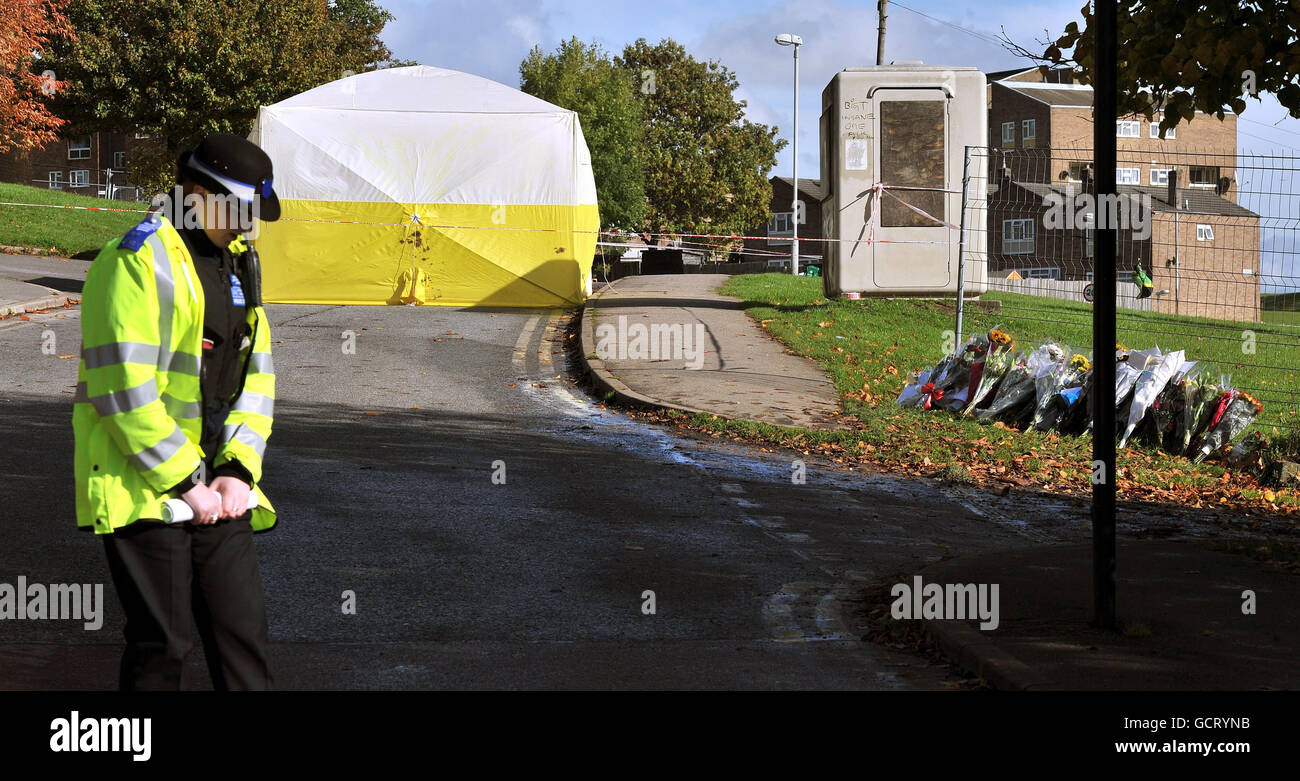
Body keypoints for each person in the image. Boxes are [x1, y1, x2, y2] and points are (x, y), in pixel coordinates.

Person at [73, 133, 281, 690]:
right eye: (241, 210)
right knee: (162, 645)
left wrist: (237, 470)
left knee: (242, 634)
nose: (247, 225)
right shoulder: (135, 262)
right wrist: (188, 481)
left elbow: (255, 379)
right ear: (198, 193)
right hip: (144, 482)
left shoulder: (240, 265)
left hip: (219, 481)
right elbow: (123, 390)